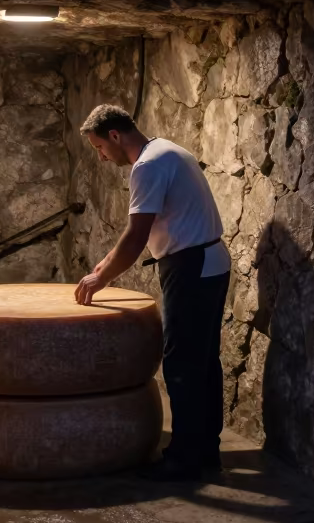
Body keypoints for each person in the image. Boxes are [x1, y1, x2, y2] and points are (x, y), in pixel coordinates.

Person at [74, 104, 231, 481]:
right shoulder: (167, 150)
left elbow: (136, 236)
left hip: (191, 265)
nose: (101, 156)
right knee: (202, 361)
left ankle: (185, 458)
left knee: (182, 364)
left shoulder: (148, 165)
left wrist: (101, 278)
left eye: (99, 147)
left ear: (115, 135)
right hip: (207, 259)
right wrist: (103, 265)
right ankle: (205, 451)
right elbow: (143, 230)